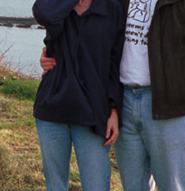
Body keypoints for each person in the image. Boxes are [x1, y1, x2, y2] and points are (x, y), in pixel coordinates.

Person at [39, 0, 185, 190]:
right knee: (133, 186)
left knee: (174, 185)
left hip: (169, 104)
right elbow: (101, 41)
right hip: (125, 101)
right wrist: (53, 53)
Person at [31, 0, 125, 190]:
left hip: (93, 112)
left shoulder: (111, 8)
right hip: (52, 109)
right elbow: (41, 12)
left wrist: (114, 109)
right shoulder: (58, 5)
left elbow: (116, 63)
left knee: (96, 185)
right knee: (55, 185)